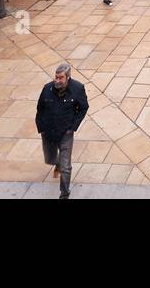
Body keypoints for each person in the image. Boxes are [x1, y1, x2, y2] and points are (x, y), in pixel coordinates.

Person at [35, 62, 90, 199]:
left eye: (60, 78)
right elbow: (40, 108)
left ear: (68, 78)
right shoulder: (47, 89)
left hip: (65, 133)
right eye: (56, 77)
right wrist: (41, 127)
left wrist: (72, 127)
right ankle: (57, 163)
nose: (57, 80)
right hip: (48, 132)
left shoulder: (77, 89)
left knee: (66, 167)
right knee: (50, 158)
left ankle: (64, 193)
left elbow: (83, 107)